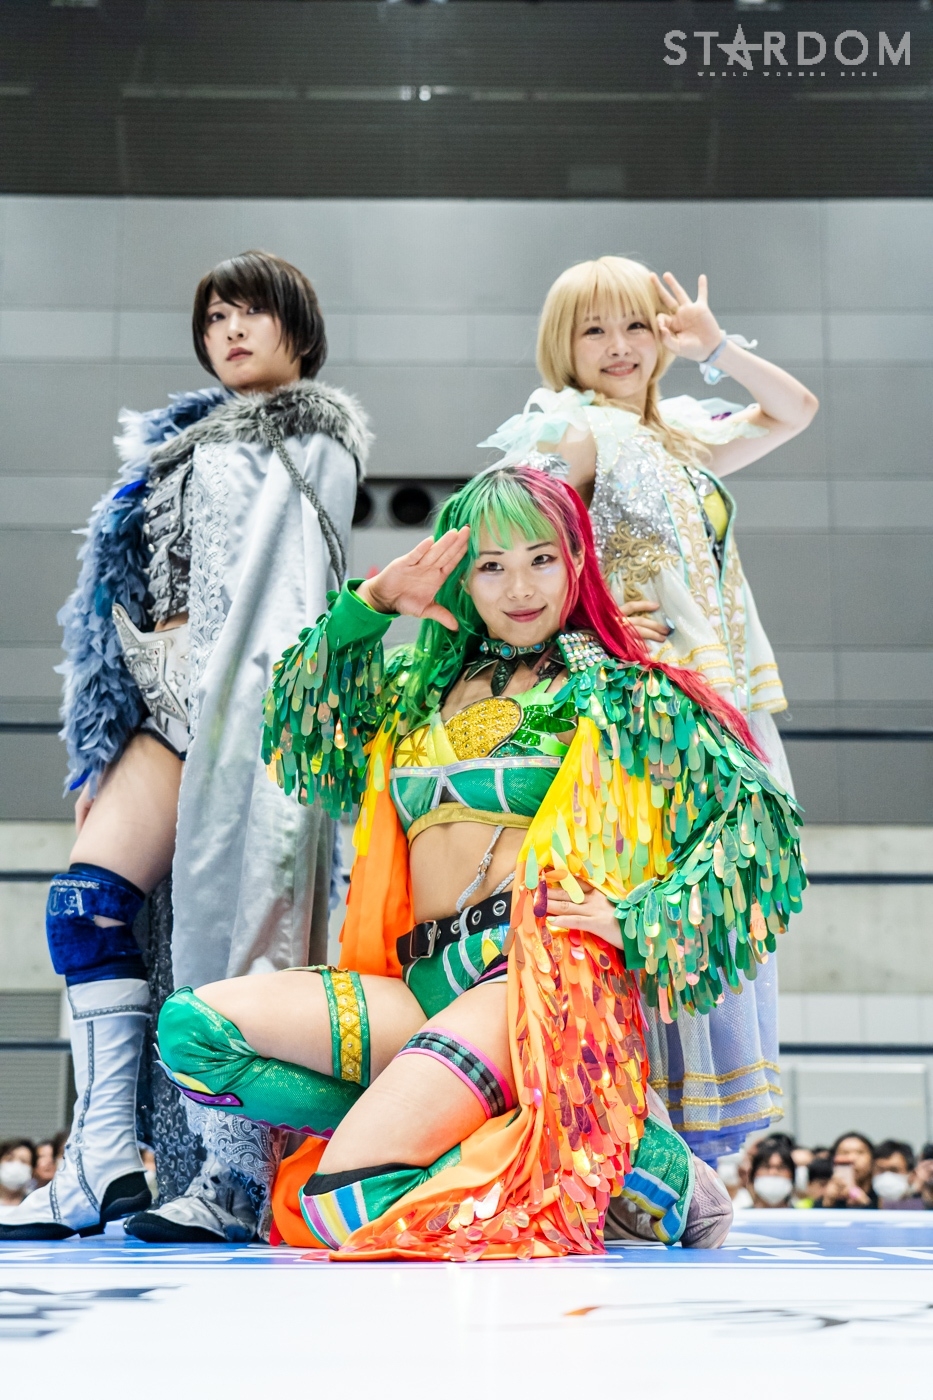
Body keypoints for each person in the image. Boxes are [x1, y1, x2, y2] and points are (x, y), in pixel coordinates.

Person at [154, 464, 804, 1259]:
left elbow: (759, 822)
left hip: (525, 983)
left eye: (541, 559)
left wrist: (637, 920)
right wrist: (372, 604)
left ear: (577, 561)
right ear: (461, 577)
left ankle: (629, 1158)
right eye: (490, 565)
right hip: (418, 982)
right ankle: (592, 1139)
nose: (518, 587)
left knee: (340, 1205)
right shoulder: (414, 688)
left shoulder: (624, 690)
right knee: (194, 1033)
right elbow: (298, 721)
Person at [0, 251, 369, 1245]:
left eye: (252, 312)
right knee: (85, 908)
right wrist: (103, 743)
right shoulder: (175, 446)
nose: (231, 330)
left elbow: (281, 600)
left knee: (240, 925)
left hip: (248, 714)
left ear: (298, 327)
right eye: (214, 317)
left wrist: (245, 725)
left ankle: (234, 1172)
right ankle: (100, 1157)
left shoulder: (309, 439)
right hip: (158, 713)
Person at [480, 256, 818, 1163]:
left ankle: (683, 1163)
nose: (619, 346)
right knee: (655, 909)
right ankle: (637, 1150)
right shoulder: (572, 431)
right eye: (593, 329)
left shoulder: (677, 434)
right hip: (650, 715)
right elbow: (501, 542)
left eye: (635, 324)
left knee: (714, 907)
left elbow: (794, 409)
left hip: (717, 706)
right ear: (562, 344)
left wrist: (716, 348)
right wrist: (588, 617)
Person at [816, 1132, 878, 1209]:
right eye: (845, 1153)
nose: (852, 1159)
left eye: (860, 1152)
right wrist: (827, 1202)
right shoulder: (825, 1198)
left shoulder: (882, 1198)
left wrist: (865, 1203)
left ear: (872, 1159)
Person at [872, 1139, 920, 1209]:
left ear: (912, 1175)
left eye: (894, 1170)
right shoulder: (863, 1210)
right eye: (881, 1170)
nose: (886, 1176)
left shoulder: (923, 1211)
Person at [747, 1141, 795, 1208]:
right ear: (753, 1174)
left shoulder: (804, 1214)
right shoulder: (738, 1214)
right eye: (766, 1166)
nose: (773, 1173)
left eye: (781, 1167)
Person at [0, 1140, 37, 1216]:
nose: (16, 1165)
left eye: (23, 1161)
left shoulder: (35, 1206)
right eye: (9, 1159)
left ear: (32, 1171)